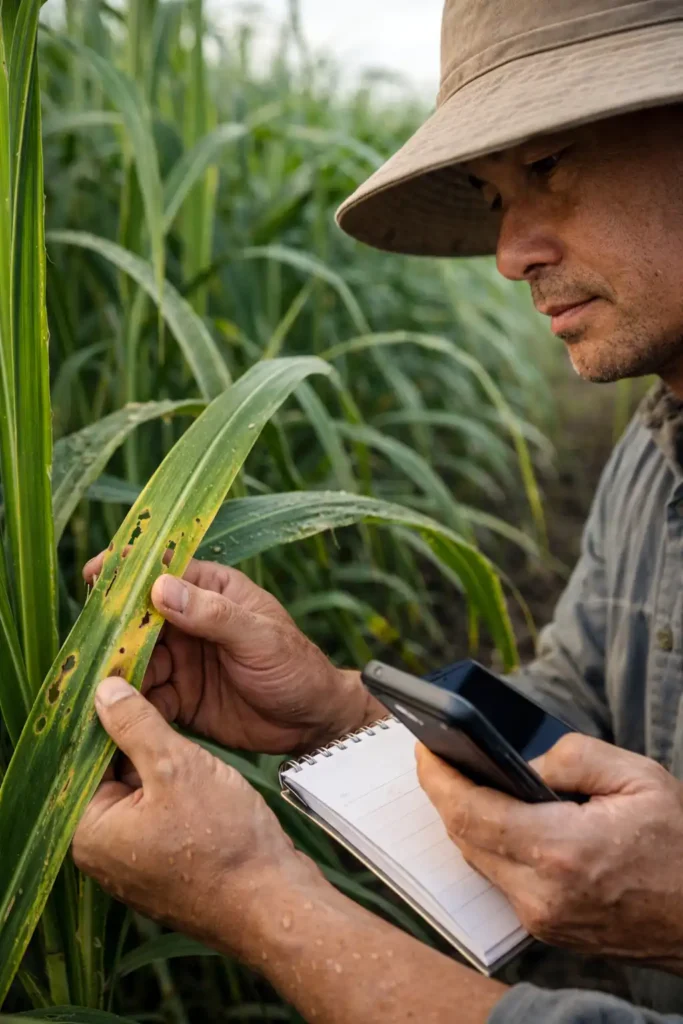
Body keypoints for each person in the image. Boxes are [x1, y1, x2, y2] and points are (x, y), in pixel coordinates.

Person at [73, 0, 683, 1021]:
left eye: (548, 166)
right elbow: (568, 721)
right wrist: (338, 710)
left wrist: (266, 906)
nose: (508, 252)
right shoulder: (650, 456)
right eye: (493, 197)